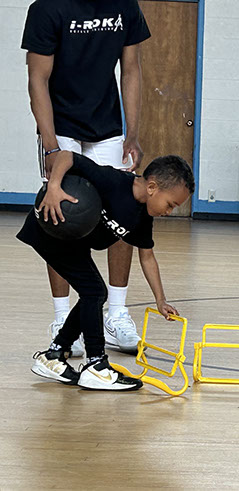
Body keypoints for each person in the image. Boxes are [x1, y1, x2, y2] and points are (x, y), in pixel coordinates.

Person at [21, 0, 151, 357]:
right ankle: (63, 317)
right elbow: (37, 79)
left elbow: (131, 69)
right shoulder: (47, 9)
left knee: (124, 207)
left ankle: (117, 313)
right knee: (61, 213)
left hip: (107, 126)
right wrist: (50, 144)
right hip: (60, 125)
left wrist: (132, 133)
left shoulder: (125, 6)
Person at [19, 151, 194, 390]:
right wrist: (54, 187)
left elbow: (147, 256)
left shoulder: (142, 217)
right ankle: (96, 365)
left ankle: (54, 356)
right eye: (170, 204)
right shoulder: (113, 181)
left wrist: (160, 300)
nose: (169, 211)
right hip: (50, 232)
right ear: (152, 187)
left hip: (73, 243)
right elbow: (66, 156)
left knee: (93, 292)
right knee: (94, 292)